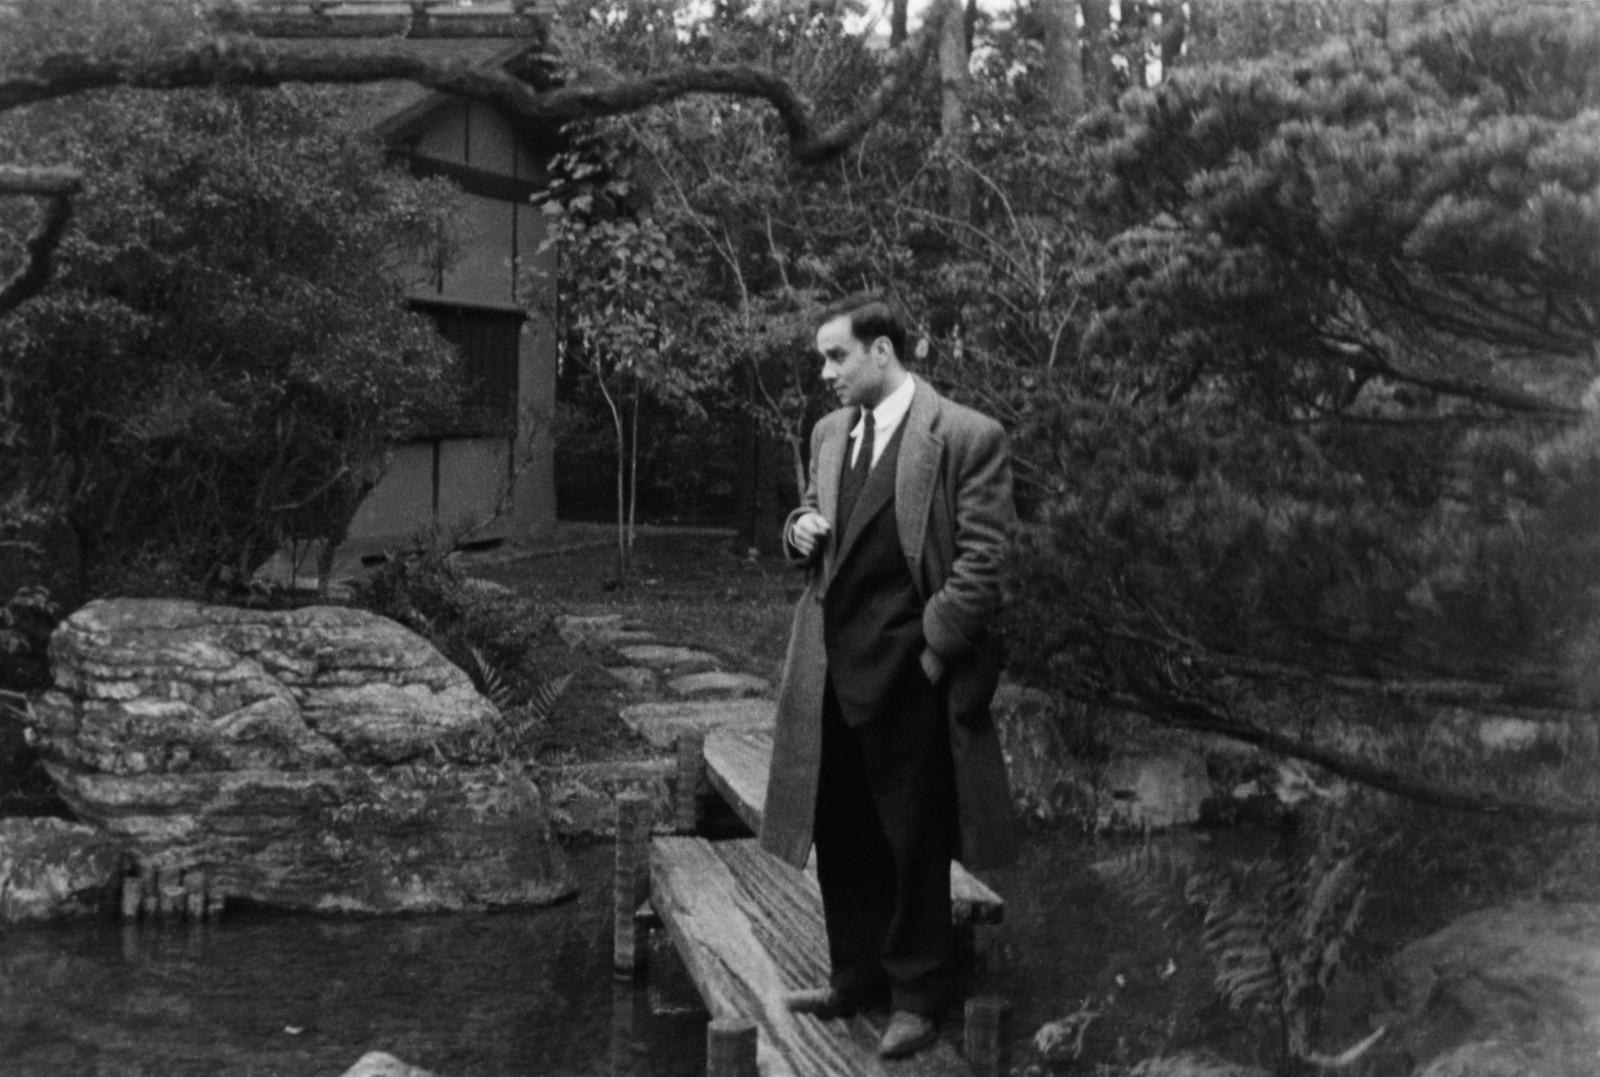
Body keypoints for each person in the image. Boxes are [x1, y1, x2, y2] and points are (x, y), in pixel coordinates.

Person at [758, 292, 1018, 1060]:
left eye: (836, 355)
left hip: (913, 669)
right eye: (822, 358)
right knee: (843, 829)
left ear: (882, 351)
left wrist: (932, 653)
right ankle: (855, 976)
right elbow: (814, 516)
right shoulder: (830, 433)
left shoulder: (966, 436)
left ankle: (916, 994)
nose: (826, 371)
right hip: (832, 662)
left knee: (913, 837)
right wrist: (797, 530)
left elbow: (986, 564)